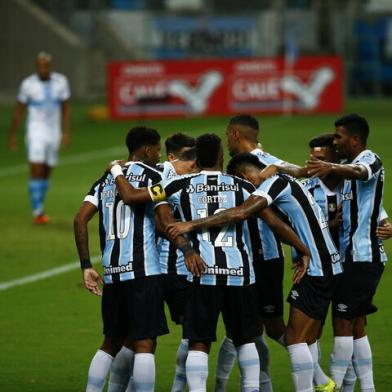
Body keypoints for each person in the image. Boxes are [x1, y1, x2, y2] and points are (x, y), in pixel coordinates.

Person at [168, 152, 343, 392]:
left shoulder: (271, 185)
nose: (250, 185)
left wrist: (191, 224)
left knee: (291, 338)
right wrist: (301, 248)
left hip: (315, 267)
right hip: (322, 263)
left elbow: (243, 213)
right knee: (294, 337)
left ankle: (320, 384)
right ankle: (321, 383)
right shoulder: (284, 182)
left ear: (242, 174)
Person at [74, 126, 203, 392]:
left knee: (111, 342)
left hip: (113, 272)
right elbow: (165, 221)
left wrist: (86, 265)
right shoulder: (153, 176)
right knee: (145, 343)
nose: (158, 155)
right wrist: (186, 248)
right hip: (143, 272)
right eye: (157, 150)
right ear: (147, 149)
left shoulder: (104, 180)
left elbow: (80, 219)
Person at [216, 114, 304, 392]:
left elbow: (301, 175)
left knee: (271, 326)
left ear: (233, 134)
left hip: (263, 256)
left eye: (226, 135)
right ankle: (256, 386)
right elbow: (300, 171)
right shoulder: (266, 163)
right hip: (243, 258)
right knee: (241, 329)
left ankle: (315, 375)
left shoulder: (266, 165)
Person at [305, 114, 387, 392]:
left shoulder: (370, 159)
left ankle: (335, 386)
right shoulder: (348, 168)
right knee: (356, 325)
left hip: (362, 258)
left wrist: (327, 165)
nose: (335, 140)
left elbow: (362, 173)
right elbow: (371, 207)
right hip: (349, 258)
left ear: (355, 139)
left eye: (339, 136)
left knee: (342, 322)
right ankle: (367, 387)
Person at [8, 51, 71, 224]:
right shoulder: (28, 84)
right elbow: (19, 110)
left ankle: (39, 205)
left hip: (53, 133)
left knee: (46, 171)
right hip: (35, 132)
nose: (43, 69)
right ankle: (37, 210)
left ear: (50, 66)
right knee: (36, 169)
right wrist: (12, 134)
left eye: (46, 66)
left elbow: (66, 108)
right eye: (40, 66)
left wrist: (66, 132)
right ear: (36, 67)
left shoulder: (61, 82)